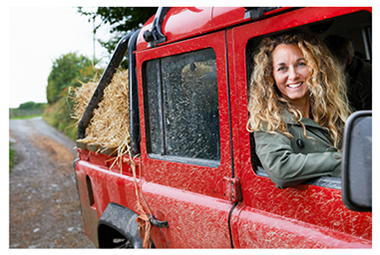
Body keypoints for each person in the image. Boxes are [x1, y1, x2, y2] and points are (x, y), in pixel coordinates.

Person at [247, 31, 351, 189]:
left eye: (301, 64)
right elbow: (281, 169)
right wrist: (338, 159)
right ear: (271, 76)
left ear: (315, 67)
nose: (293, 75)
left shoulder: (333, 109)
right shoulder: (268, 119)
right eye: (282, 68)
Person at [324, 34, 372, 111]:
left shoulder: (366, 79)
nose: (328, 71)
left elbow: (370, 114)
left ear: (348, 60)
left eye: (333, 67)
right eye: (324, 65)